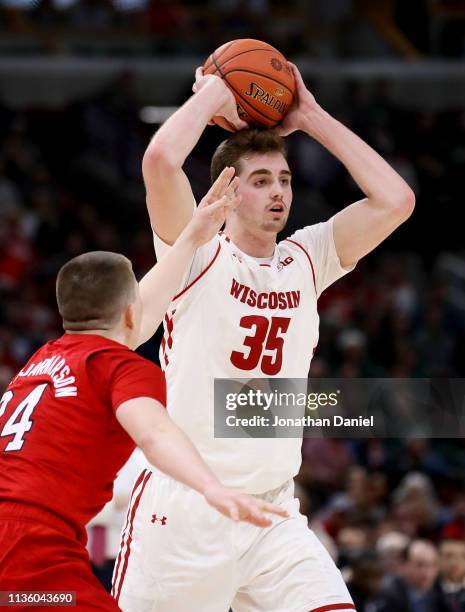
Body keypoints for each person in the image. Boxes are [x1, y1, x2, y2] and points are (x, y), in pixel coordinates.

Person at [115, 61, 415, 612]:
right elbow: (159, 162)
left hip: (273, 512)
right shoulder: (198, 253)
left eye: (284, 180)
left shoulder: (307, 257)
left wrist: (312, 116)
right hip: (185, 512)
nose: (278, 192)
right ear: (228, 192)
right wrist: (214, 94)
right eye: (260, 181)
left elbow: (396, 201)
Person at [0, 170, 287, 611]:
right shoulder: (119, 366)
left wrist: (193, 235)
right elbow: (153, 434)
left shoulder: (43, 360)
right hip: (30, 547)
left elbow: (134, 309)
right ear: (132, 313)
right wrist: (212, 488)